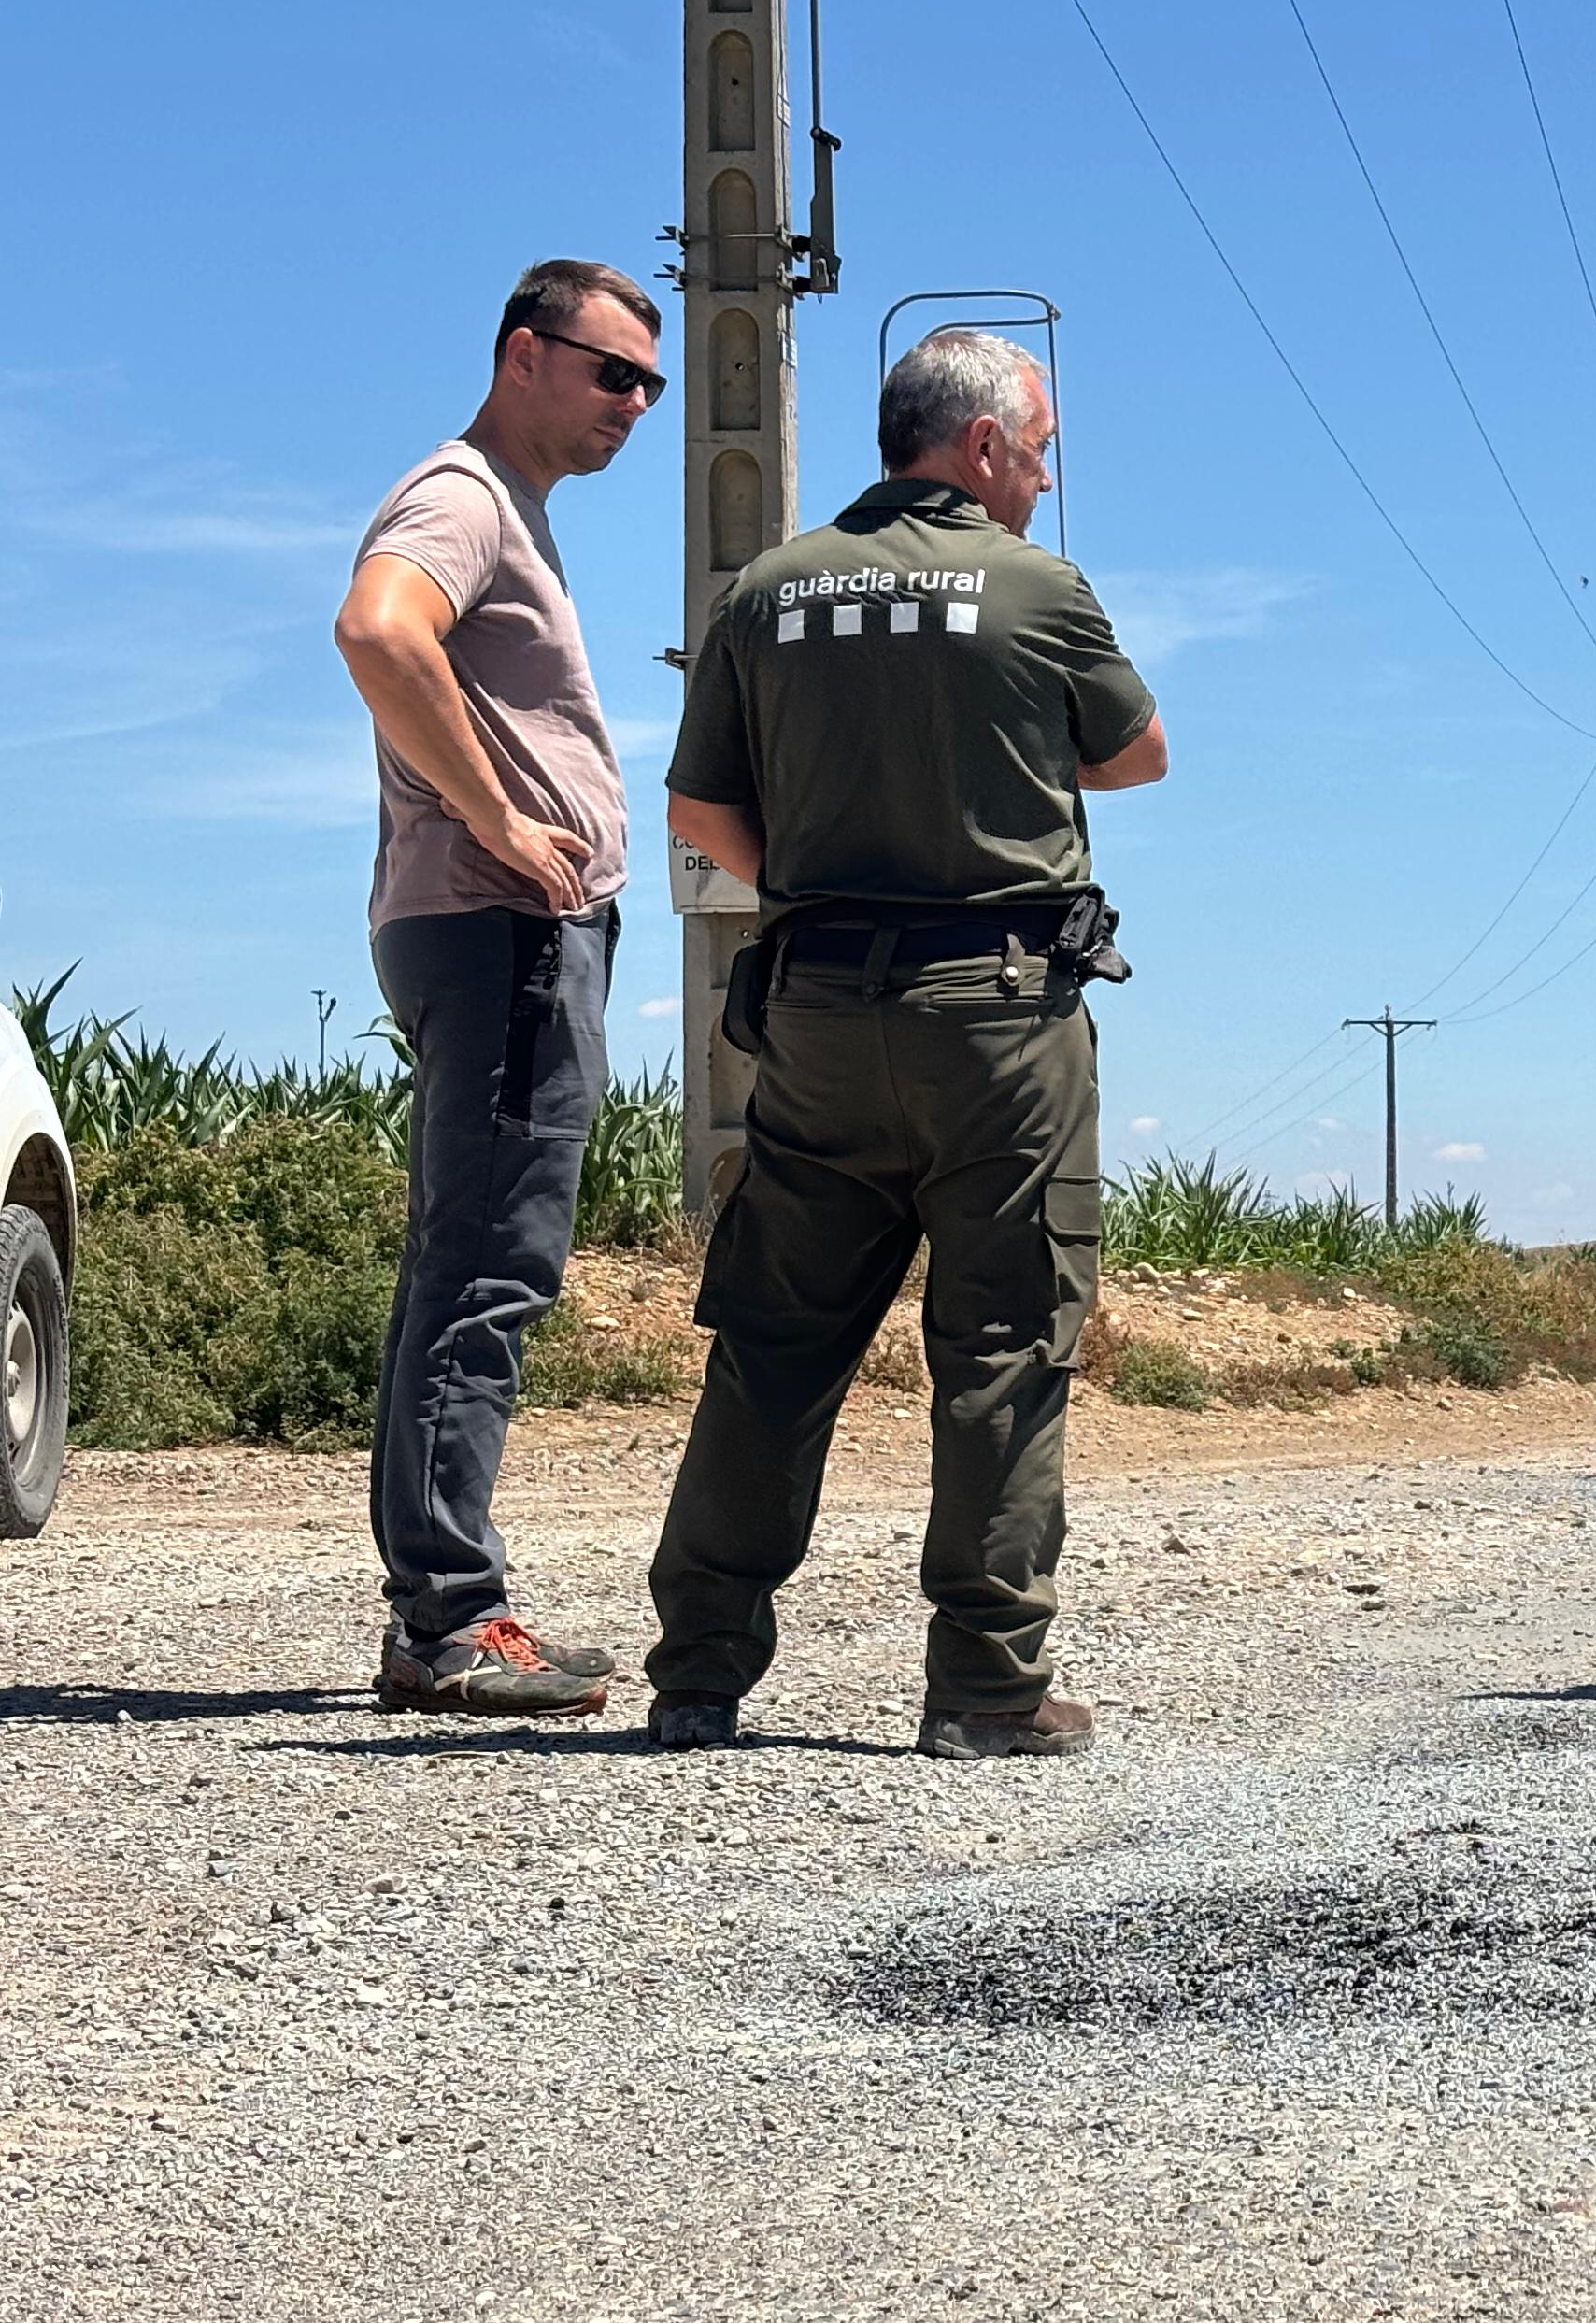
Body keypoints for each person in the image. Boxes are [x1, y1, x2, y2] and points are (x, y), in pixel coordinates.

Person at [647, 329, 1167, 1760]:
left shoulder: (767, 589)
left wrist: (826, 885)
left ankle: (698, 1675)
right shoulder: (1037, 588)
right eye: (1039, 452)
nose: (1043, 480)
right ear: (983, 446)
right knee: (1002, 1345)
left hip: (814, 1010)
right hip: (998, 1021)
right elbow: (1136, 754)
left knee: (773, 1345)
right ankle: (987, 1687)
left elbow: (697, 813)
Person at [333, 260, 667, 1720]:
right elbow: (376, 630)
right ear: (524, 353)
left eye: (650, 383)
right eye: (612, 372)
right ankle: (449, 1621)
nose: (636, 404)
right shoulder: (463, 496)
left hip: (501, 927)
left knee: (470, 1261)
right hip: (497, 926)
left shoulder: (509, 507)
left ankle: (448, 1611)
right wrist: (497, 820)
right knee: (486, 1267)